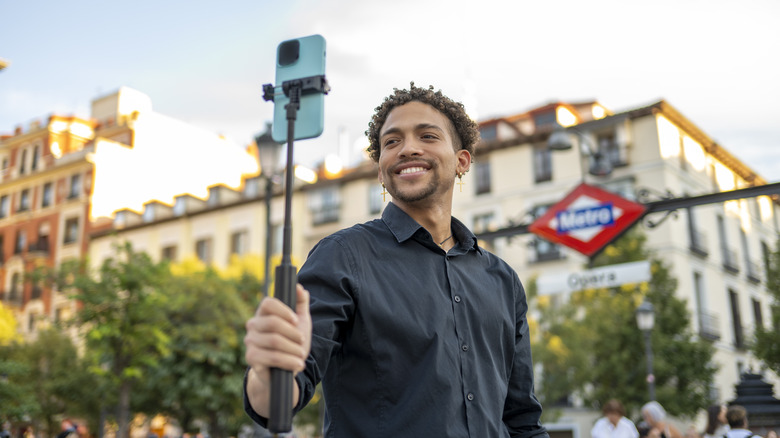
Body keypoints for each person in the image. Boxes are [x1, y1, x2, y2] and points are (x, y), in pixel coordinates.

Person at [243, 83, 549, 437]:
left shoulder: (503, 280)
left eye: (428, 136)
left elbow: (523, 418)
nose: (408, 149)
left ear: (462, 161)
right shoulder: (342, 256)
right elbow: (283, 393)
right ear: (381, 170)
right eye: (391, 142)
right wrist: (268, 371)